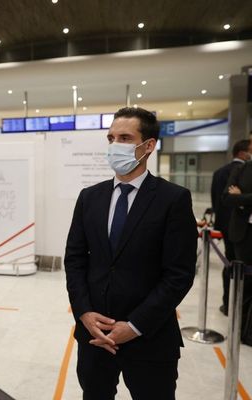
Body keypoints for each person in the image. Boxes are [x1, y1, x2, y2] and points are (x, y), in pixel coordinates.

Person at [64, 107, 197, 400]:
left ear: (148, 146)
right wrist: (84, 313)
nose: (114, 145)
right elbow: (74, 260)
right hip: (95, 337)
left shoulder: (173, 199)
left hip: (149, 337)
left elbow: (179, 274)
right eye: (111, 138)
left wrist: (134, 326)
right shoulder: (90, 197)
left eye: (125, 138)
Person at [211, 139, 252, 315]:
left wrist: (241, 198)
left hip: (228, 227)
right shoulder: (240, 170)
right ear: (243, 153)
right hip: (240, 229)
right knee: (239, 270)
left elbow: (217, 200)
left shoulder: (220, 172)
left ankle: (229, 304)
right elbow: (226, 197)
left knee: (231, 268)